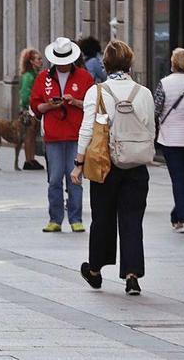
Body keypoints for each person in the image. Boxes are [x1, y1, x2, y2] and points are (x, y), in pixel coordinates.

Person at [71, 41, 155, 295]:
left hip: (105, 164)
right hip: (137, 164)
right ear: (130, 62)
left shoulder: (97, 92)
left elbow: (87, 129)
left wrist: (78, 163)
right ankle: (131, 276)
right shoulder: (144, 92)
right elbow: (150, 128)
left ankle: (95, 270)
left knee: (102, 219)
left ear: (105, 64)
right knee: (132, 220)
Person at [30, 37, 95, 233]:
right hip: (53, 137)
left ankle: (76, 218)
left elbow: (92, 105)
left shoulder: (84, 77)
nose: (63, 64)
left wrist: (74, 101)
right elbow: (36, 107)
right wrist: (50, 105)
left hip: (77, 136)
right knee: (54, 179)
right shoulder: (43, 78)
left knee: (75, 178)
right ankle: (55, 219)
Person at [154, 47, 184, 233]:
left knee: (178, 178)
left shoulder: (164, 83)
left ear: (173, 63)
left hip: (171, 140)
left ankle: (181, 217)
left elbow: (156, 109)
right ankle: (178, 214)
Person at [19, 48, 45, 170]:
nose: (41, 61)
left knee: (32, 134)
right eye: (38, 59)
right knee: (29, 135)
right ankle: (28, 159)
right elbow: (25, 94)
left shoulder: (34, 74)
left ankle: (31, 158)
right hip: (28, 109)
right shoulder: (29, 76)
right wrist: (27, 107)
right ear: (31, 61)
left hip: (31, 108)